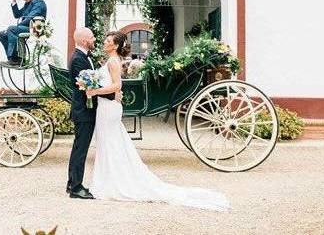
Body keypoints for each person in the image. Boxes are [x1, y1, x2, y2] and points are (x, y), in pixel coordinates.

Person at [86, 31, 230, 211]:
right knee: (110, 143)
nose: (104, 43)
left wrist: (93, 91)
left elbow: (117, 86)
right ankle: (108, 179)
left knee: (110, 143)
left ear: (115, 46)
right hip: (106, 107)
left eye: (108, 41)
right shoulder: (110, 60)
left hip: (108, 108)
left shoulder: (114, 61)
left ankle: (112, 182)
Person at [66, 27, 120, 199]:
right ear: (84, 41)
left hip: (87, 109)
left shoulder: (84, 57)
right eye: (91, 37)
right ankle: (76, 187)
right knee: (80, 149)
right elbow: (88, 87)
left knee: (79, 148)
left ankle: (71, 182)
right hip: (84, 110)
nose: (94, 39)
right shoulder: (78, 59)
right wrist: (113, 94)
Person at [0, 0, 47, 66]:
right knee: (2, 34)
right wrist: (14, 1)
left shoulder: (38, 2)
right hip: (27, 27)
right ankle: (12, 59)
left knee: (11, 29)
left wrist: (15, 28)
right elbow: (17, 15)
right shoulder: (29, 3)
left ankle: (17, 59)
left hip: (35, 29)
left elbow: (30, 18)